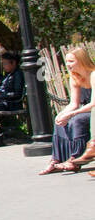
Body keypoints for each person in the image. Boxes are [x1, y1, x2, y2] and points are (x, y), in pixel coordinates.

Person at [39, 46, 93, 174]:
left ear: (82, 61)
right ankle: (56, 160)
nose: (68, 65)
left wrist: (72, 114)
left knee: (77, 120)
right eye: (67, 61)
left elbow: (93, 104)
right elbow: (74, 103)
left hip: (93, 110)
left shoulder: (93, 75)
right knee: (60, 121)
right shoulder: (74, 77)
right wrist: (63, 114)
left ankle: (75, 159)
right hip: (84, 109)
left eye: (71, 61)